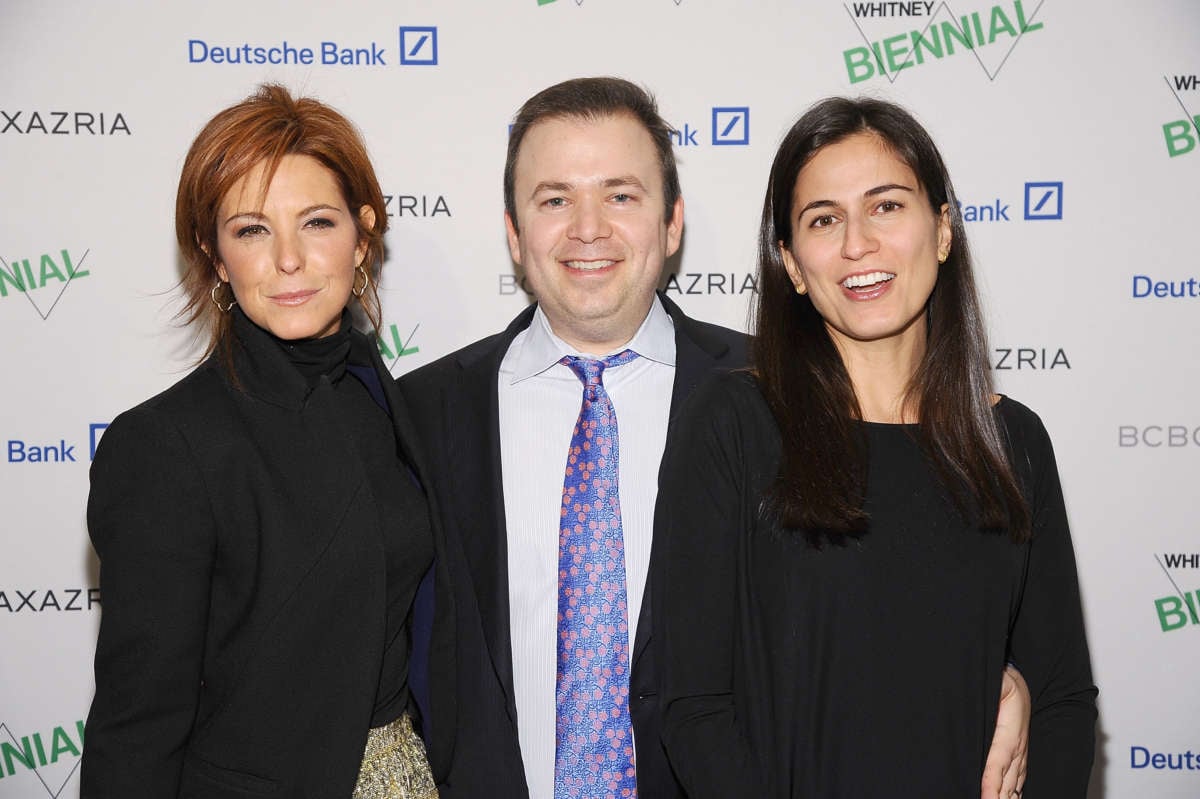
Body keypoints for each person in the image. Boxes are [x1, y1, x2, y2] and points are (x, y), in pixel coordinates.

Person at [398, 77, 1032, 799]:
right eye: (554, 199)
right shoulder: (420, 413)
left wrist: (1006, 680)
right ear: (514, 232)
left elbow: (900, 603)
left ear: (673, 224)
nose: (588, 228)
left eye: (621, 195)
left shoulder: (795, 402)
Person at [653, 96, 1098, 798]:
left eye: (887, 206)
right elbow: (692, 704)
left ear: (943, 230)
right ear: (793, 264)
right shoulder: (732, 424)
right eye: (823, 219)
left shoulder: (1014, 441)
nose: (857, 243)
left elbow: (1065, 698)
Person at [82, 84, 452, 799]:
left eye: (316, 221)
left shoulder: (382, 399)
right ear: (215, 256)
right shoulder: (163, 446)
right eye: (251, 229)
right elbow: (139, 724)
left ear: (363, 234)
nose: (288, 259)